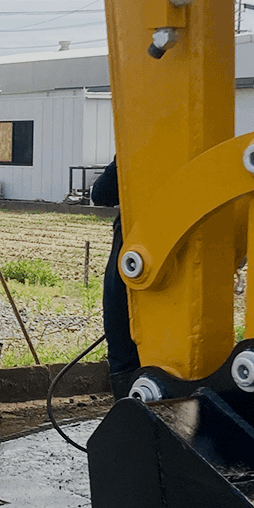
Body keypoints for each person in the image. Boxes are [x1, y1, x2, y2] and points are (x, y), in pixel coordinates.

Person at [90, 159, 141, 394]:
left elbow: (101, 193)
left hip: (135, 247)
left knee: (121, 333)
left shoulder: (136, 149)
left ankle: (130, 409)